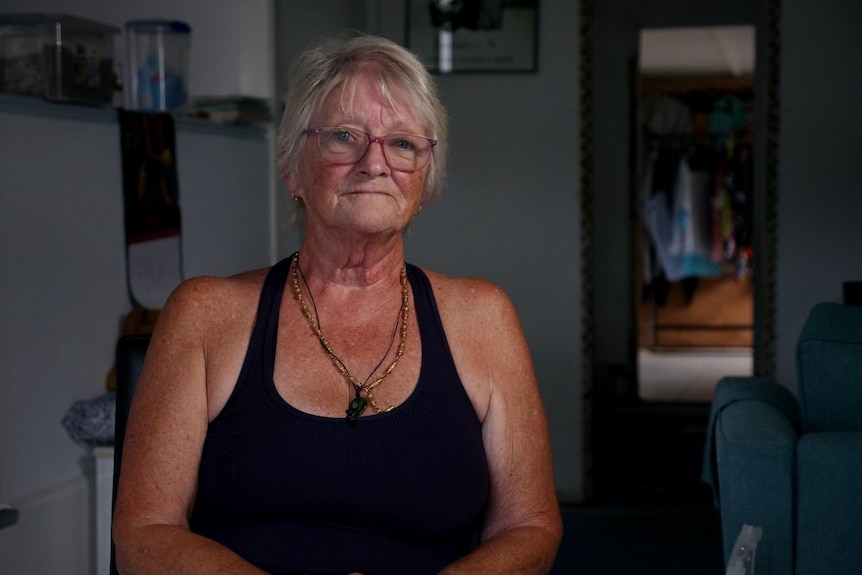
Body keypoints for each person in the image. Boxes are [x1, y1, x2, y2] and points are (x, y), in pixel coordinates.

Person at [112, 33, 562, 575]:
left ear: (425, 180)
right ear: (292, 168)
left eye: (402, 143)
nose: (375, 163)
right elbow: (143, 535)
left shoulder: (483, 318)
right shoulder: (205, 314)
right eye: (345, 136)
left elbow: (531, 527)